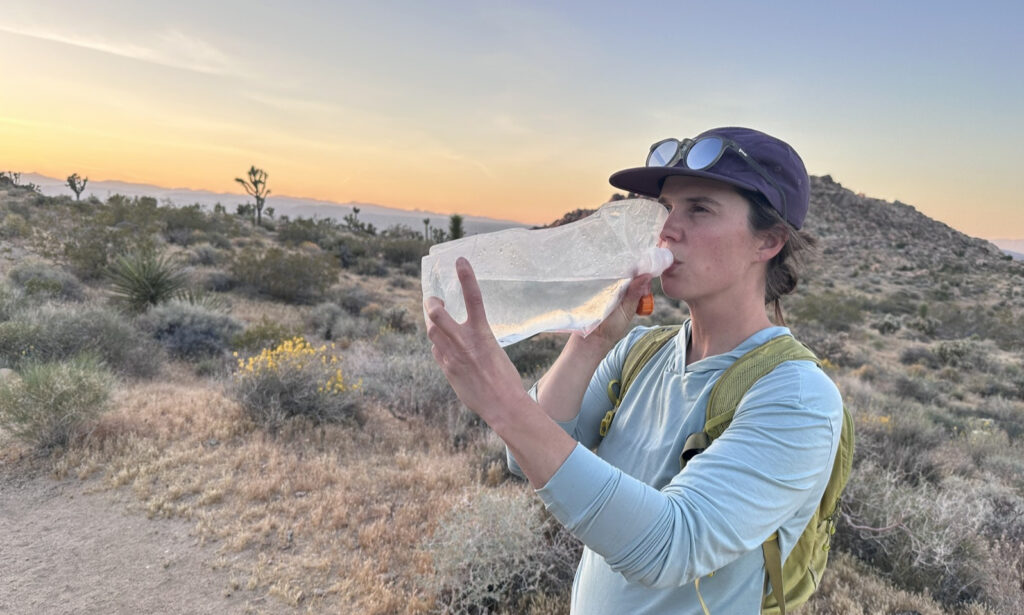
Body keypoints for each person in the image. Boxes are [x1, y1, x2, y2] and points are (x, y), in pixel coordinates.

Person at [424, 127, 844, 614]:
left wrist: (504, 403)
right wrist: (589, 343)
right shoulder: (641, 350)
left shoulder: (797, 396)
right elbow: (526, 457)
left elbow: (669, 547)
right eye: (664, 208)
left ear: (767, 241)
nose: (666, 229)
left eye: (699, 209)